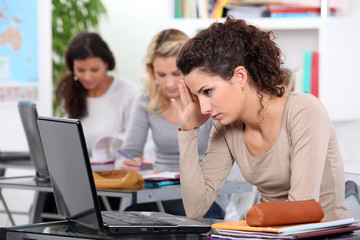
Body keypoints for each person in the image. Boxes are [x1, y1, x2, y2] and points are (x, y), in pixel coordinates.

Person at [172, 16, 348, 220]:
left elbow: (301, 209)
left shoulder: (303, 111)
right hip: (265, 231)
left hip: (321, 233)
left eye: (208, 91)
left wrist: (248, 217)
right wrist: (188, 131)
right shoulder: (225, 126)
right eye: (197, 95)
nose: (203, 108)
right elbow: (195, 208)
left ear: (240, 76)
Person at [115, 28, 231, 219]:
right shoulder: (146, 99)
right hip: (157, 193)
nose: (169, 83)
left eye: (176, 73)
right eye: (161, 74)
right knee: (126, 218)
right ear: (151, 72)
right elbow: (128, 152)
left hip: (205, 197)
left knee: (177, 217)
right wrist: (123, 162)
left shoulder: (207, 97)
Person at [56, 32, 139, 159]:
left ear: (106, 64)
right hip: (80, 166)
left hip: (115, 171)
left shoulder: (129, 92)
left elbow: (135, 144)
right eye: (80, 70)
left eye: (94, 70)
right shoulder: (70, 89)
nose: (87, 77)